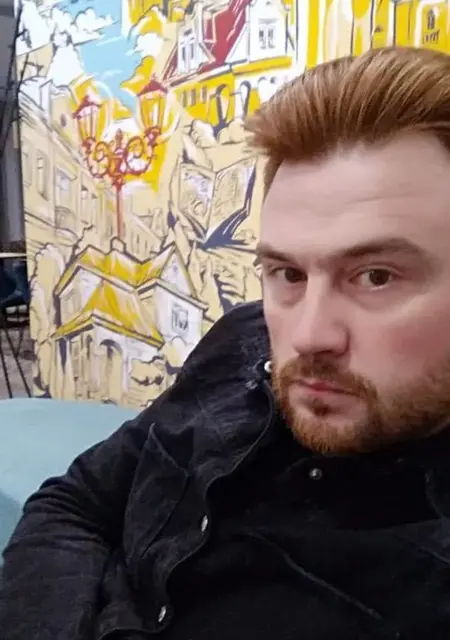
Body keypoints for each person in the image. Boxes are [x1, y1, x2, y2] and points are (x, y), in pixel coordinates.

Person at [3, 45, 450, 639]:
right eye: (288, 273)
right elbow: (78, 501)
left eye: (376, 277)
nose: (308, 336)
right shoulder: (243, 339)